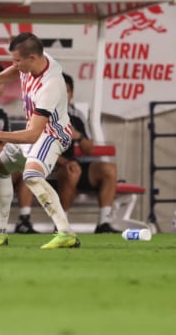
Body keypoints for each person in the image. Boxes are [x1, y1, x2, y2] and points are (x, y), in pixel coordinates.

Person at [0, 32, 80, 249]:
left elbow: (34, 135)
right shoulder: (35, 61)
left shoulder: (50, 85)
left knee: (32, 175)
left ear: (32, 58)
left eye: (17, 61)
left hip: (52, 135)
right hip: (34, 131)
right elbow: (15, 70)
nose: (14, 65)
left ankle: (65, 233)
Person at [54, 73, 121, 234]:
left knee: (109, 169)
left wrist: (78, 136)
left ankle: (104, 223)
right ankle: (61, 225)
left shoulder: (77, 116)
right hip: (49, 167)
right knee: (72, 171)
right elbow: (39, 150)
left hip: (72, 165)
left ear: (71, 94)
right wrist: (66, 162)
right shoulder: (43, 115)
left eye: (66, 91)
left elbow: (89, 149)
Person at [0, 63, 37, 234]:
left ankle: (24, 220)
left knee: (26, 171)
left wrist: (1, 149)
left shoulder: (2, 115)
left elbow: (6, 141)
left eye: (1, 82)